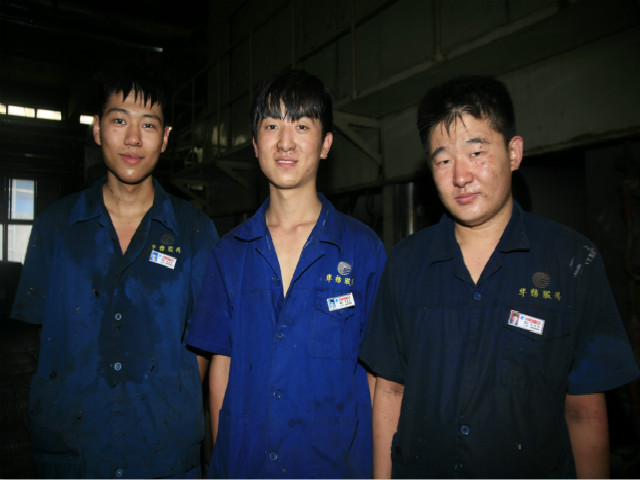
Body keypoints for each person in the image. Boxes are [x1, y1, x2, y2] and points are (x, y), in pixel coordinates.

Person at [359, 75, 640, 478]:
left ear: (513, 152)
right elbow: (390, 389)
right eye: (443, 160)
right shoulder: (405, 261)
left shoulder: (572, 261)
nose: (460, 176)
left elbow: (583, 410)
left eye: (476, 152)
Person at [11, 66, 219, 478]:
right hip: (72, 453)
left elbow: (203, 342)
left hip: (164, 456)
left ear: (165, 138)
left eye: (148, 125)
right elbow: (43, 335)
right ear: (97, 129)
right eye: (120, 120)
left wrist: (166, 397)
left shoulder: (195, 230)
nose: (133, 139)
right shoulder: (55, 226)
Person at [186, 69, 386, 478]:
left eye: (302, 126)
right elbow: (221, 365)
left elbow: (377, 374)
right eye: (272, 125)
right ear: (255, 143)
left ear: (325, 144)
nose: (286, 142)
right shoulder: (229, 253)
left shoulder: (363, 249)